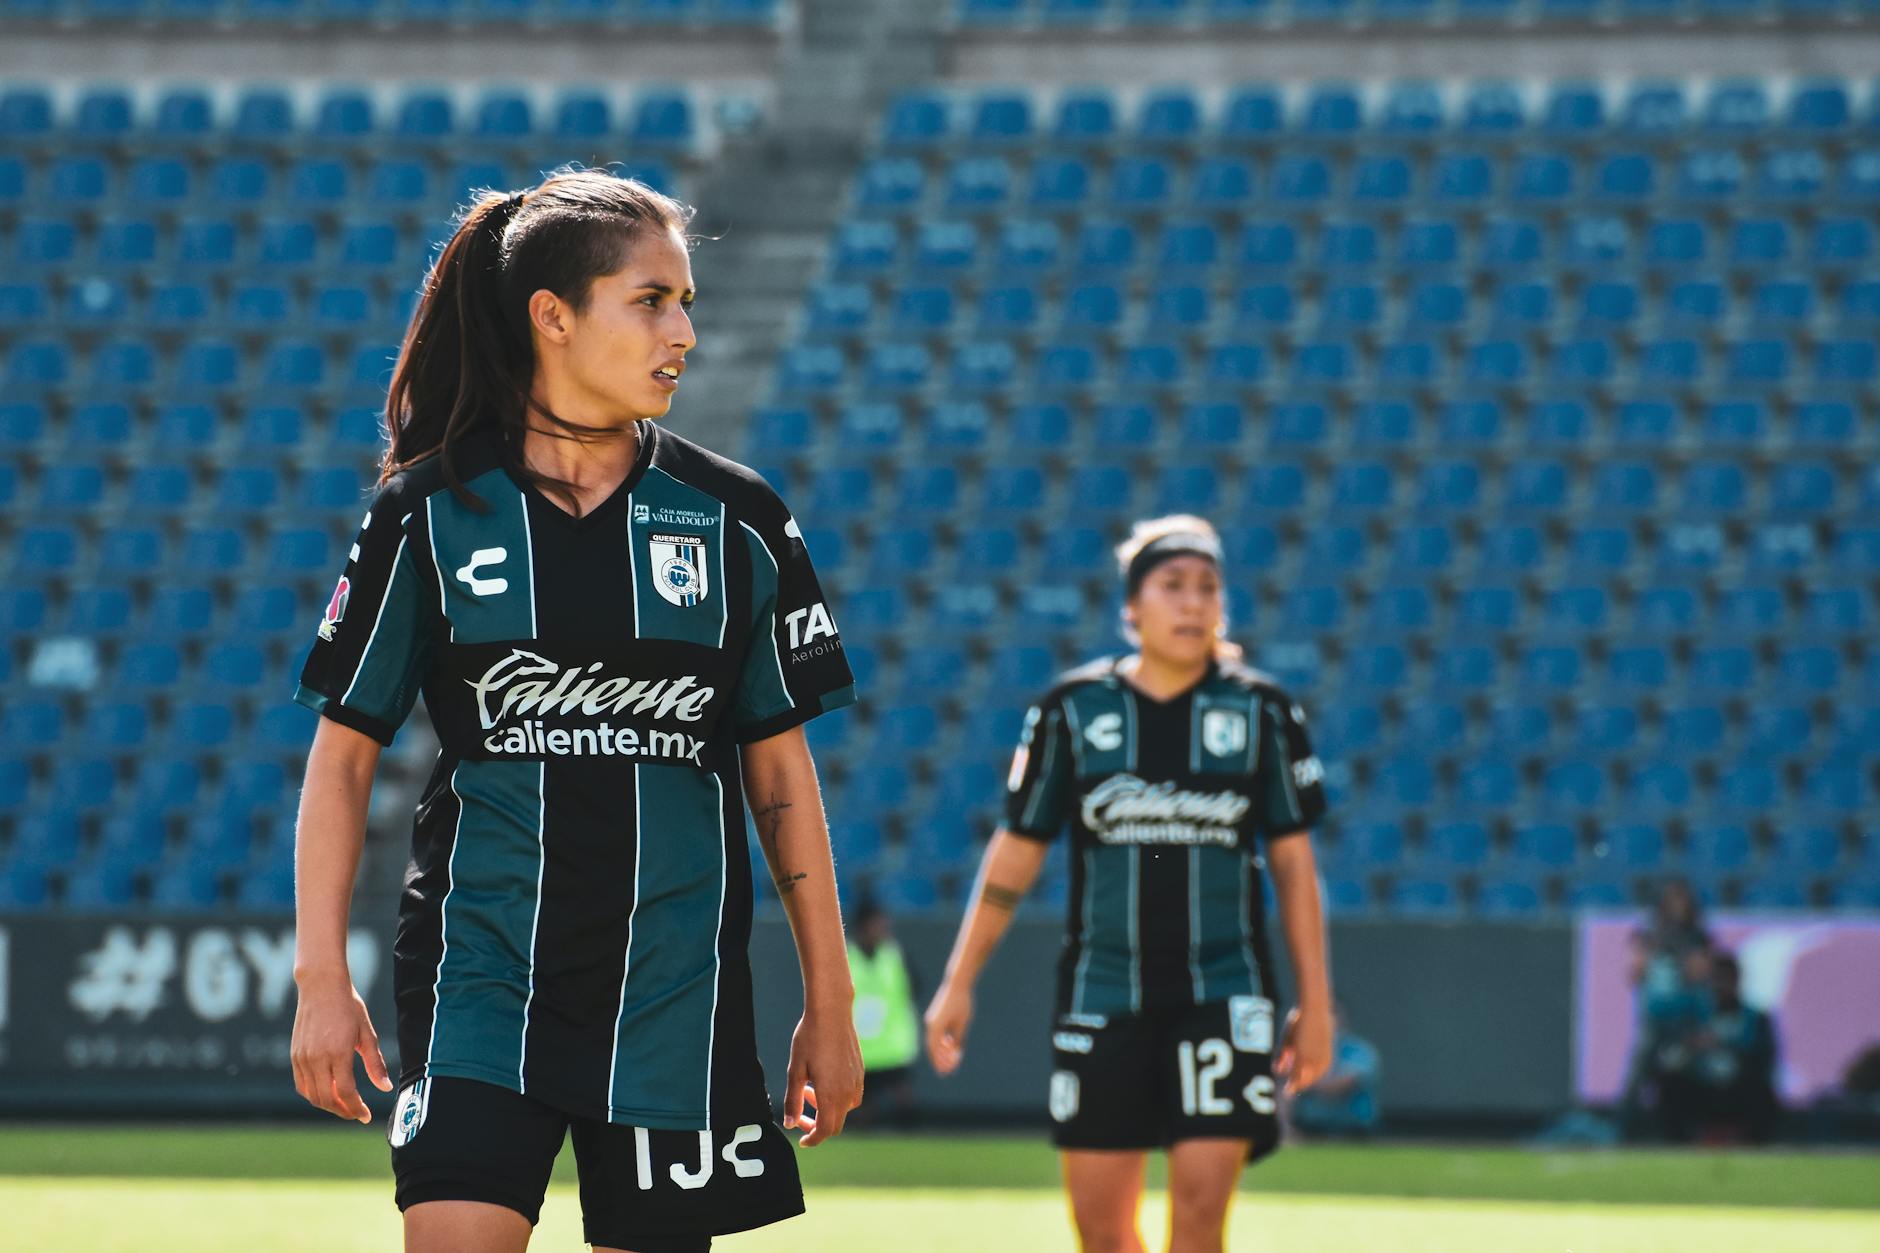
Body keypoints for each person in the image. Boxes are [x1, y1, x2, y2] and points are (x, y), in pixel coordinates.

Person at [288, 167, 863, 1253]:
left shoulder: (738, 518)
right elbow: (343, 755)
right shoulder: (430, 511)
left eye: (685, 301)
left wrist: (830, 1003)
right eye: (651, 300)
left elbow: (782, 779)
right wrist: (322, 978)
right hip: (480, 973)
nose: (683, 332)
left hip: (675, 993)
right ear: (552, 316)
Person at [924, 514, 1334, 1253]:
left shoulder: (1262, 712)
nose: (1192, 602)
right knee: (1103, 1232)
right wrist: (959, 980)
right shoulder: (1072, 710)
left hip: (1224, 991)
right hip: (1103, 990)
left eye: (1207, 587)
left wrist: (1317, 1001)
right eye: (1172, 585)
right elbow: (1017, 851)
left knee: (1200, 1221)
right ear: (1132, 607)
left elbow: (1295, 867)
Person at [846, 899, 921, 1129]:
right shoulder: (845, 958)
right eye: (876, 923)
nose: (881, 929)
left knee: (904, 1102)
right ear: (862, 926)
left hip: (893, 1047)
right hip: (859, 1049)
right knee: (861, 1111)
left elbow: (915, 989)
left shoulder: (896, 956)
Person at [1285, 1004, 1380, 1139]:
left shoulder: (1360, 1051)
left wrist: (1302, 1080)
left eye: (1331, 1015)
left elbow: (1338, 1087)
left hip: (1354, 1132)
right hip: (1310, 1130)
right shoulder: (1301, 1051)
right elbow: (1284, 1087)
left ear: (1343, 1019)